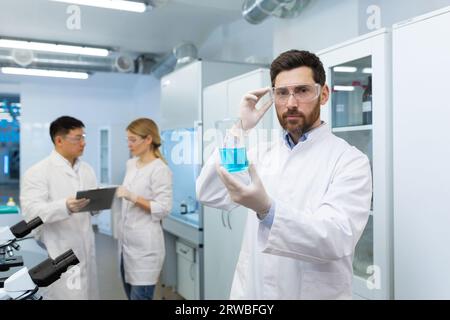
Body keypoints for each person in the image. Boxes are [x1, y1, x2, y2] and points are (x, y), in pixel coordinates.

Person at [196, 50, 372, 299]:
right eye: (282, 93)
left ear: (323, 94)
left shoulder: (350, 161)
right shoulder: (260, 153)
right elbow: (210, 193)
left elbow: (335, 238)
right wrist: (240, 128)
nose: (291, 103)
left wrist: (268, 210)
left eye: (302, 91)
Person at [20, 116, 99, 300]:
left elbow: (93, 207)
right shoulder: (37, 172)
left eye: (84, 137)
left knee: (88, 293)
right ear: (59, 140)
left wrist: (97, 205)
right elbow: (32, 213)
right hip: (59, 250)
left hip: (86, 248)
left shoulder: (87, 169)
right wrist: (64, 206)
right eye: (78, 138)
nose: (83, 143)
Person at [116, 118, 172, 300]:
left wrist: (133, 196)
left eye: (133, 140)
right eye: (127, 140)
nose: (129, 145)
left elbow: (163, 208)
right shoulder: (131, 164)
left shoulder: (160, 169)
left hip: (146, 250)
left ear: (148, 139)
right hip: (126, 246)